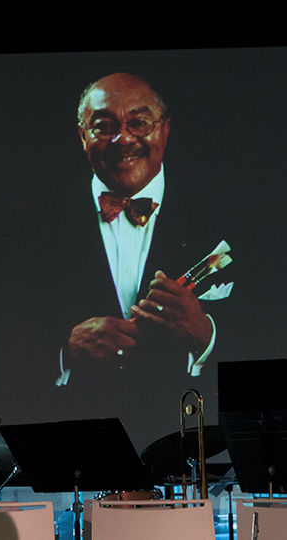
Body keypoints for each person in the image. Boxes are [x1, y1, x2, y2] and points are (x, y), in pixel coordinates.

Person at [58, 72, 234, 387]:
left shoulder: (228, 215)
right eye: (103, 126)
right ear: (82, 135)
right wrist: (64, 351)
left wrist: (205, 336)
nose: (123, 139)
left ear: (165, 130)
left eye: (139, 123)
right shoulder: (35, 223)